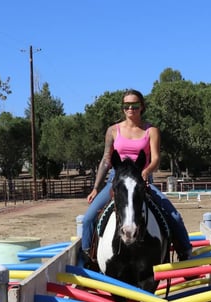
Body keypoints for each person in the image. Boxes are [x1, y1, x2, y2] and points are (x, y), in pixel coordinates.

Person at [80, 89, 193, 266]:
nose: (130, 109)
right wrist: (96, 187)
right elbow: (105, 160)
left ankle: (185, 253)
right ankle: (86, 259)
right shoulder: (113, 131)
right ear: (123, 108)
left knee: (174, 216)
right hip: (116, 181)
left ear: (142, 107)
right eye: (127, 106)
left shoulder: (151, 130)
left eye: (134, 105)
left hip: (141, 180)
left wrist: (146, 172)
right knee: (87, 219)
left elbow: (155, 158)